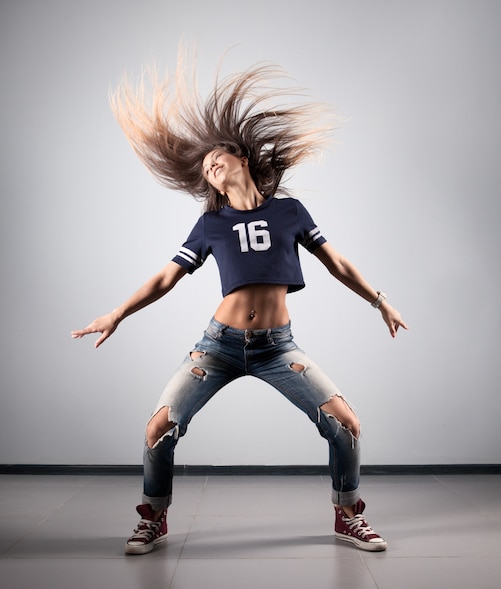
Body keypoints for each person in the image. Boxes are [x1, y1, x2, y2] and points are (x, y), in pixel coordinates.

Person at [72, 52, 407, 555]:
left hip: (278, 348)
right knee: (159, 426)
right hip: (218, 347)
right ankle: (153, 518)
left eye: (218, 158)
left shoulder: (290, 212)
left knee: (345, 423)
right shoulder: (211, 225)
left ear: (242, 159)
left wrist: (379, 299)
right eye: (205, 168)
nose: (209, 166)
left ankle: (347, 513)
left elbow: (337, 263)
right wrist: (116, 313)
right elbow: (167, 276)